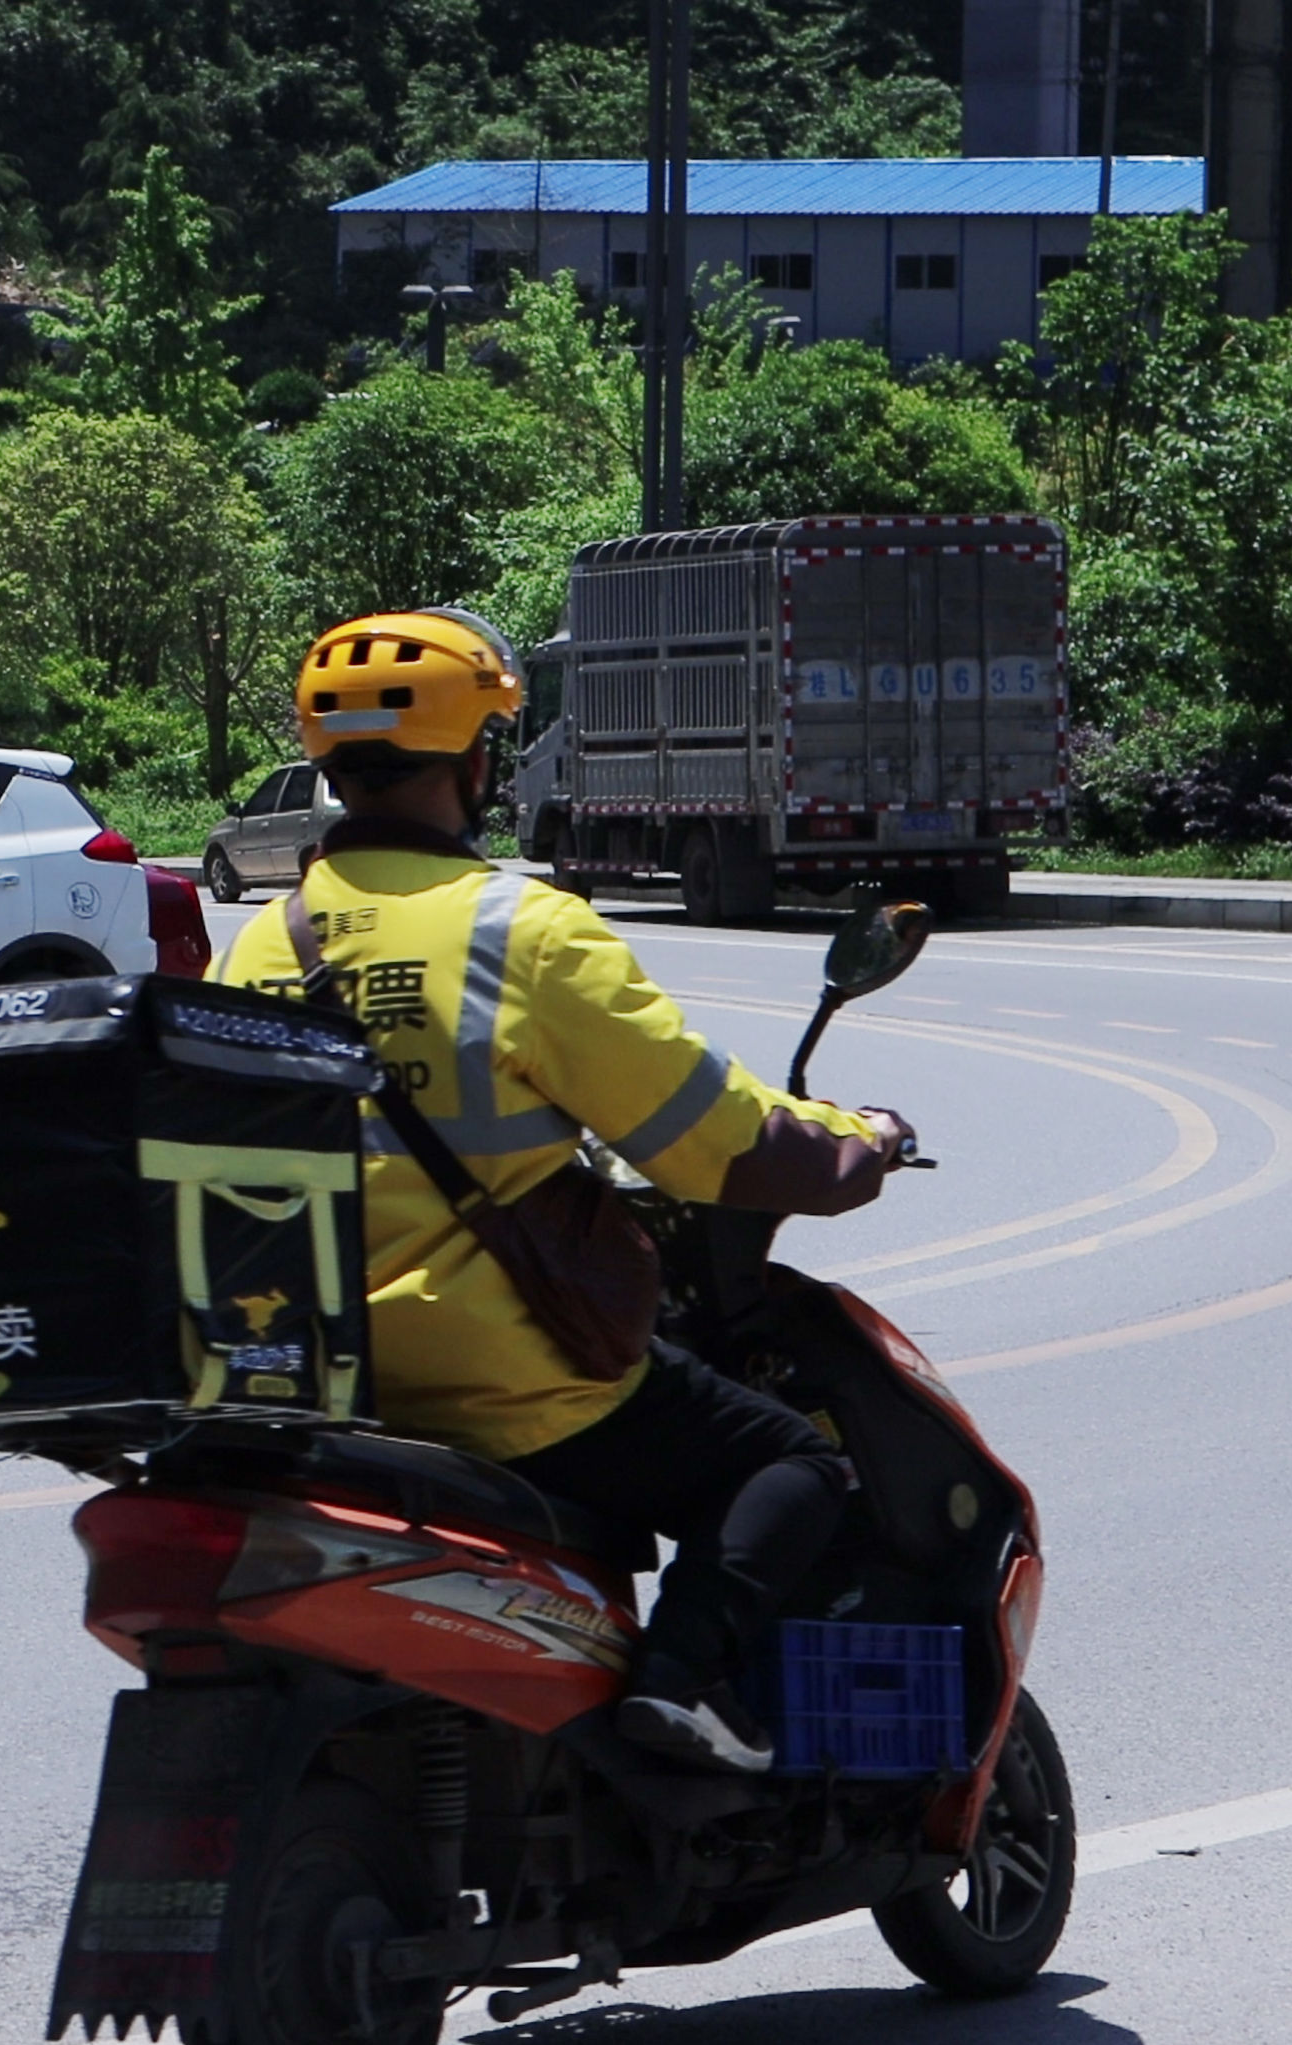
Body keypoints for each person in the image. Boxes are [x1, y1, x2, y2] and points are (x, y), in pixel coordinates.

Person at [213, 608, 914, 1774]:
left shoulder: (259, 946)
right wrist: (862, 1143)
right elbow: (716, 1143)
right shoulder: (522, 931)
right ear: (478, 762)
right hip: (502, 1386)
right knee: (791, 1463)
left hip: (316, 1376)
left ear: (330, 765)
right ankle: (685, 1690)